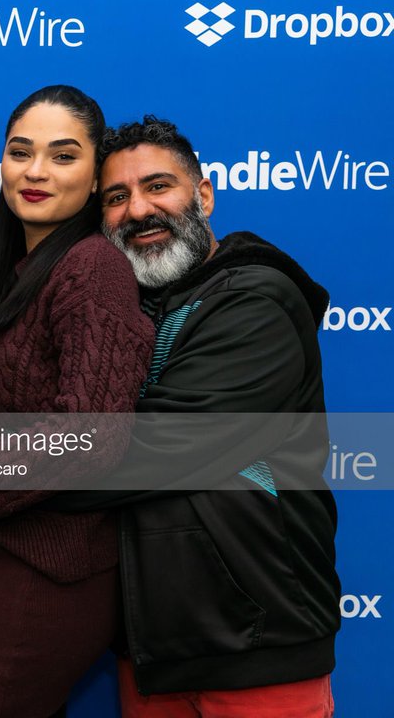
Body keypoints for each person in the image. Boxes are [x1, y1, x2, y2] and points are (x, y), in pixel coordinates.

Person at [48, 116, 340, 717]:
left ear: (203, 196)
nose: (138, 210)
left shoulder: (256, 299)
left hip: (259, 649)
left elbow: (133, 454)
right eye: (117, 197)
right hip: (151, 654)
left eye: (159, 187)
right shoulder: (122, 314)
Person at [0, 85, 155, 718]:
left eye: (63, 156)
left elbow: (91, 434)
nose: (35, 172)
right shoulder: (17, 271)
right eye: (20, 152)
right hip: (3, 568)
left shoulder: (92, 268)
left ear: (94, 180)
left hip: (48, 579)